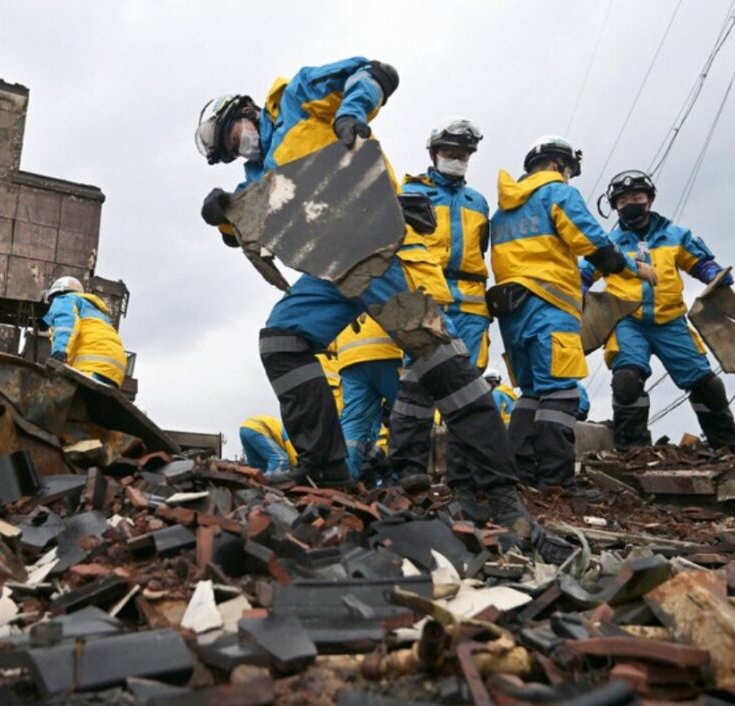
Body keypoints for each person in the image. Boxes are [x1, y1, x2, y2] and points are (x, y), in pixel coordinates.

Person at [195, 58, 532, 536]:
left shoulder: (297, 99)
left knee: (442, 366)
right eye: (229, 151)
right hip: (332, 271)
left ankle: (499, 492)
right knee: (281, 341)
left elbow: (376, 72)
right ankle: (326, 470)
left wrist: (350, 113)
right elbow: (249, 227)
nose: (238, 148)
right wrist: (223, 215)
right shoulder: (255, 176)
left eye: (233, 137)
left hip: (383, 249)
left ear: (244, 111)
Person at [489, 137, 657, 492]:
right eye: (568, 171)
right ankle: (556, 481)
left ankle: (518, 474)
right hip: (549, 307)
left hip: (512, 310)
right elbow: (590, 240)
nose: (568, 177)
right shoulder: (557, 194)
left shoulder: (503, 209)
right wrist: (629, 268)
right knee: (561, 393)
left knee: (532, 393)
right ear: (557, 165)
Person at [581, 170, 735, 454]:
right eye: (622, 201)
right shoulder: (607, 243)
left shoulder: (675, 235)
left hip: (670, 320)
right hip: (628, 321)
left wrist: (711, 272)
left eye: (637, 197)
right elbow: (586, 272)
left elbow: (699, 262)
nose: (630, 204)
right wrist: (579, 288)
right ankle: (632, 448)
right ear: (615, 207)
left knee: (706, 383)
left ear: (649, 199)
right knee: (626, 378)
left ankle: (728, 446)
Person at [388, 117, 494, 493]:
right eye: (450, 152)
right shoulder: (411, 190)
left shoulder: (478, 201)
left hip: (472, 301)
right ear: (433, 154)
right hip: (426, 293)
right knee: (417, 381)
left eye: (464, 154)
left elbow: (481, 251)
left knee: (469, 387)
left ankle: (465, 478)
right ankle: (407, 471)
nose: (457, 159)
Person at [335, 314, 403, 479]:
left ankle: (346, 477)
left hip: (350, 356)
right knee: (405, 415)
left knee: (353, 423)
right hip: (388, 351)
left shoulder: (338, 288)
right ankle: (403, 479)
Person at [42, 276, 128, 387]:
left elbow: (66, 325)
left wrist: (59, 353)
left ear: (55, 295)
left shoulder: (65, 300)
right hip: (114, 371)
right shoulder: (98, 313)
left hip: (91, 365)